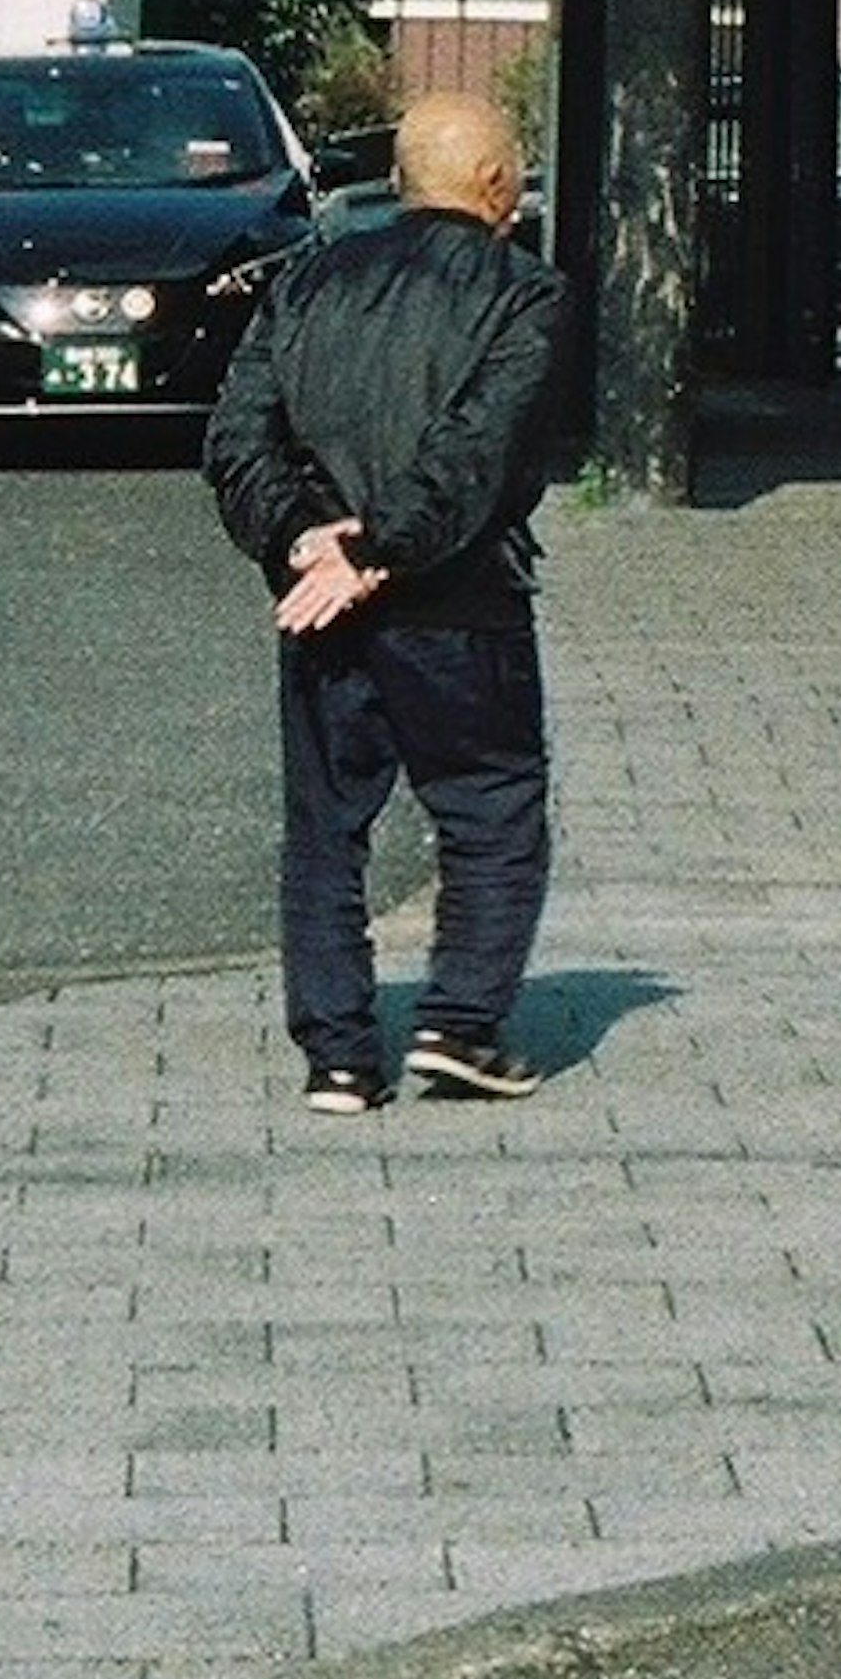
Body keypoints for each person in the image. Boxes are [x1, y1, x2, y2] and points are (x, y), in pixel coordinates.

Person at [203, 85, 567, 1113]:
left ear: (402, 182)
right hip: (460, 602)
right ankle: (459, 1026)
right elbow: (478, 448)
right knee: (493, 808)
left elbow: (237, 436)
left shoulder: (309, 282)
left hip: (320, 604)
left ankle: (339, 1057)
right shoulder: (526, 294)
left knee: (325, 827)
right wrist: (377, 545)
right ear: (497, 184)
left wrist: (300, 536)